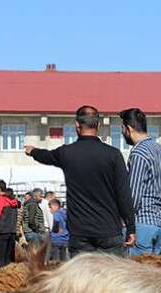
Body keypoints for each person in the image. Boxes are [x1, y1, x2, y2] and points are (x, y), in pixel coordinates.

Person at [24, 106, 135, 257]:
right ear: (98, 125)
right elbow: (124, 194)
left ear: (77, 125)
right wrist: (131, 227)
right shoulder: (114, 155)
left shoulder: (67, 153)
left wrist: (32, 151)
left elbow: (46, 155)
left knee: (82, 280)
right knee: (112, 279)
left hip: (80, 233)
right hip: (109, 230)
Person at [120, 108, 161, 256]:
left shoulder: (138, 153)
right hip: (160, 222)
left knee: (137, 275)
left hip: (142, 223)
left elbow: (133, 194)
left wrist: (126, 221)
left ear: (128, 129)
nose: (122, 134)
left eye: (122, 129)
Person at [0, 180, 20, 267]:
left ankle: (0, 279)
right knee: (8, 259)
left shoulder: (0, 199)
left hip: (2, 232)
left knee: (1, 259)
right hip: (12, 232)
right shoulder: (13, 200)